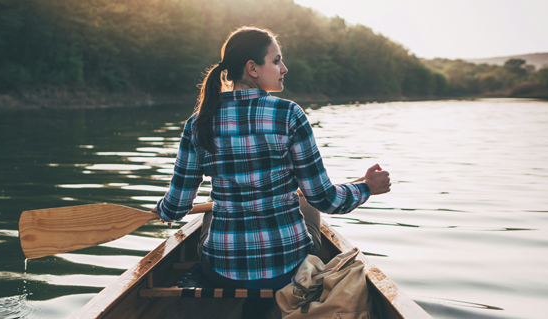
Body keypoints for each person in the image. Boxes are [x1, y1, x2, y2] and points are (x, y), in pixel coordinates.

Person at [151, 26, 390, 292]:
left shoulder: (198, 122)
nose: (284, 68)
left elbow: (178, 205)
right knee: (308, 203)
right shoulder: (289, 114)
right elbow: (327, 200)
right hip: (288, 269)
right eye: (277, 61)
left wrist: (163, 210)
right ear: (252, 68)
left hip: (221, 272)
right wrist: (367, 187)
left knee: (211, 204)